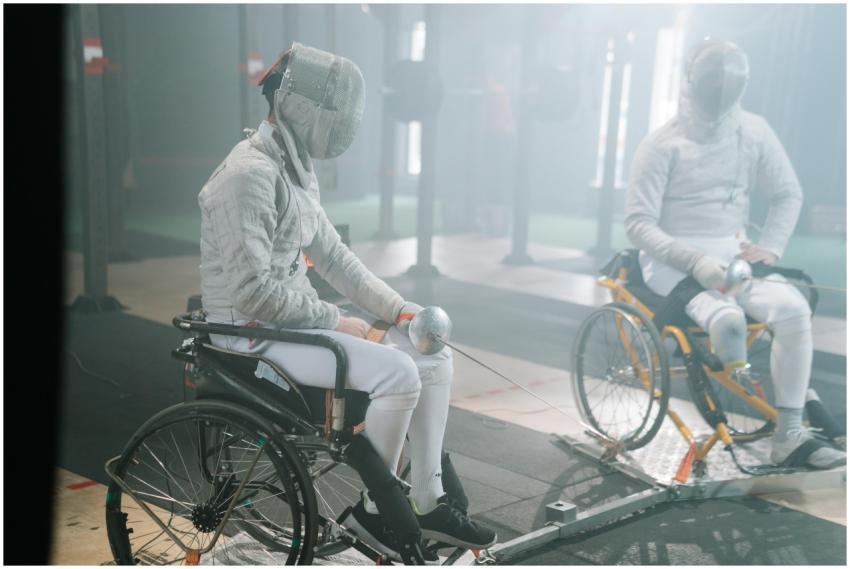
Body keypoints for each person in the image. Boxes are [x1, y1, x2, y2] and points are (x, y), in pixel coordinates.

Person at [197, 43, 496, 561]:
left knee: (431, 356)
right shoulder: (247, 176)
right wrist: (335, 318)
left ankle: (426, 499)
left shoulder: (293, 167)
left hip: (287, 325)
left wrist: (402, 309)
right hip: (249, 335)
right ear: (303, 108)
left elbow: (334, 258)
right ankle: (376, 511)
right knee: (397, 375)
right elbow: (251, 292)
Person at [624, 39, 845, 469]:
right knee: (726, 320)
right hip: (671, 261)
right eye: (712, 82)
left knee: (793, 309)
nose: (720, 91)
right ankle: (745, 379)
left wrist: (771, 249)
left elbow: (787, 193)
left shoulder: (755, 131)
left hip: (732, 253)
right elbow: (638, 223)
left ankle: (789, 435)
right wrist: (694, 262)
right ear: (691, 82)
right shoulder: (661, 143)